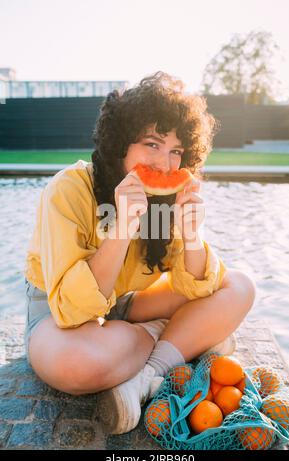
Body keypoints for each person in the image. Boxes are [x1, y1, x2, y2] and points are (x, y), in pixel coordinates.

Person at [23, 71, 256, 435]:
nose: (164, 165)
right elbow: (70, 311)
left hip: (124, 302)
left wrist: (192, 235)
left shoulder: (165, 200)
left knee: (239, 286)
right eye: (152, 144)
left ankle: (145, 375)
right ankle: (174, 338)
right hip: (56, 310)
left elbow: (197, 286)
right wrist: (122, 228)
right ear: (121, 144)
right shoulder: (69, 188)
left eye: (176, 151)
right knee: (76, 366)